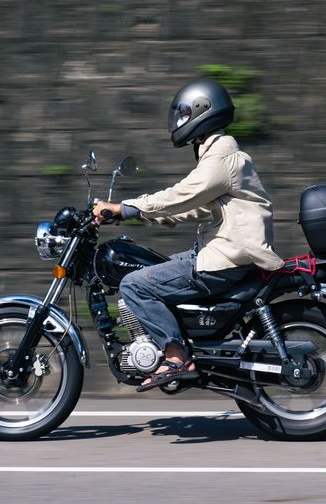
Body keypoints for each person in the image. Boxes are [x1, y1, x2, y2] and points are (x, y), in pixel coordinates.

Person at [94, 79, 283, 392]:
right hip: (223, 251)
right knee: (155, 269)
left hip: (225, 259)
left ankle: (176, 357)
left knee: (134, 285)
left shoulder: (221, 157)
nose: (179, 120)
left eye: (183, 113)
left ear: (203, 110)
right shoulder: (220, 154)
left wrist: (126, 208)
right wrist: (135, 215)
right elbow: (194, 208)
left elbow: (182, 195)